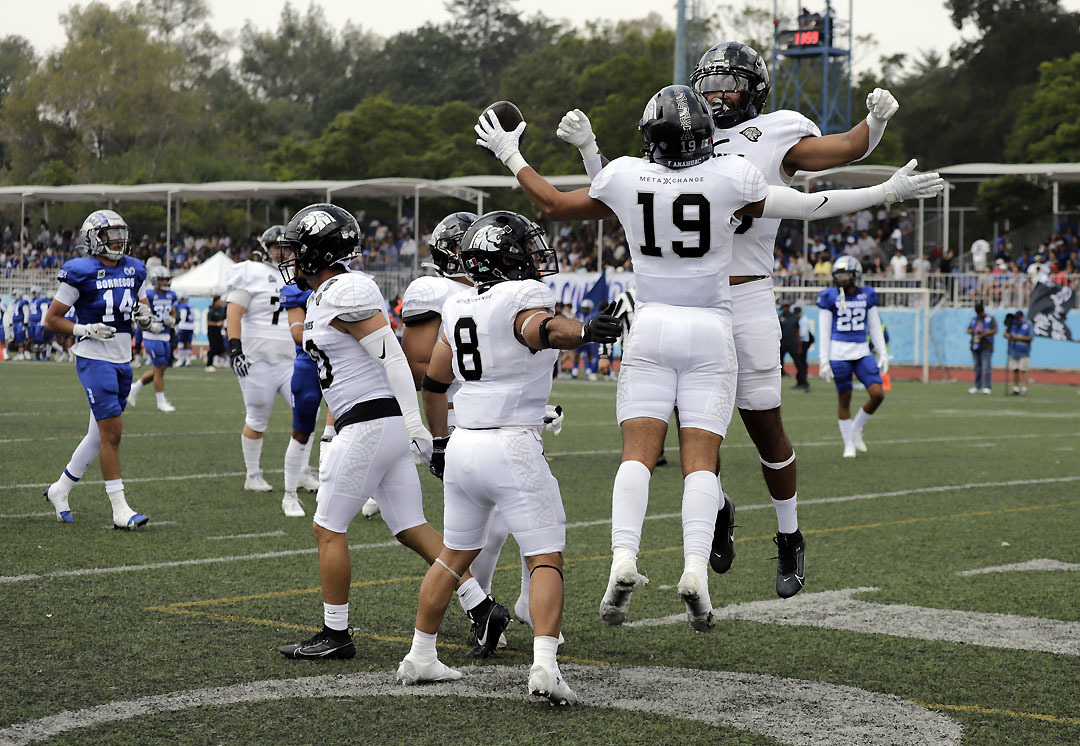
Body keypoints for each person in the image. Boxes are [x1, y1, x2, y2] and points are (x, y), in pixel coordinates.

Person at [477, 84, 940, 621]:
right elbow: (812, 206)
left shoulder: (627, 173)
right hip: (711, 327)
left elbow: (556, 204)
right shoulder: (730, 175)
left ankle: (624, 558)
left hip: (653, 324)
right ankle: (694, 568)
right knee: (700, 459)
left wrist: (513, 153)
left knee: (639, 455)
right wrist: (886, 192)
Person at [559, 40, 902, 599]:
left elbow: (847, 147)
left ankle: (789, 534)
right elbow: (613, 197)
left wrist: (875, 123)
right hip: (688, 303)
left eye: (731, 85)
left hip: (746, 297)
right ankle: (716, 506)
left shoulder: (775, 132)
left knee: (765, 425)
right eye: (711, 83)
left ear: (755, 91)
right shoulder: (676, 133)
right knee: (698, 428)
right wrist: (590, 151)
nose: (718, 95)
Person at [399, 210, 621, 703]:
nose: (534, 258)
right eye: (524, 249)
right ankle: (545, 666)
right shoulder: (520, 297)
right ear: (503, 259)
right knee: (544, 556)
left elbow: (434, 382)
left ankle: (420, 654)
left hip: (463, 444)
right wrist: (584, 330)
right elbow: (540, 329)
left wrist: (440, 443)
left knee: (453, 556)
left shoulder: (457, 304)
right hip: (512, 443)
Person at [274, 203, 506, 662]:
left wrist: (416, 422)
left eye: (300, 250)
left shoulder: (346, 289)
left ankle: (335, 632)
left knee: (327, 527)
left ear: (320, 252)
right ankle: (482, 607)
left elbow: (392, 358)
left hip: (371, 423)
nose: (292, 259)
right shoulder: (322, 296)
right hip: (374, 423)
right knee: (410, 527)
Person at [41, 209, 157, 528]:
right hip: (94, 358)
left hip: (122, 358)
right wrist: (84, 329)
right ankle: (120, 510)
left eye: (121, 234)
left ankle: (60, 489)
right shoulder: (80, 271)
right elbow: (51, 320)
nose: (118, 240)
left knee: (98, 435)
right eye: (110, 234)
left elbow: (144, 311)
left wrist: (147, 318)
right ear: (93, 239)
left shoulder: (135, 269)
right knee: (112, 432)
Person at [225, 225, 296, 494]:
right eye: (277, 247)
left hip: (290, 358)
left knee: (306, 411)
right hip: (257, 359)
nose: (282, 252)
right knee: (257, 416)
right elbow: (234, 312)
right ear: (265, 248)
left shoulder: (298, 275)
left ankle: (301, 471)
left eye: (286, 247)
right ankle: (252, 475)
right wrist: (235, 349)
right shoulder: (251, 272)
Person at [817, 257, 889, 459]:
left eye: (845, 275)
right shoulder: (830, 296)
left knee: (877, 394)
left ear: (855, 275)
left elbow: (874, 326)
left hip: (862, 351)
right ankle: (848, 443)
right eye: (838, 275)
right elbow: (824, 331)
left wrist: (882, 352)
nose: (841, 279)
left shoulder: (867, 294)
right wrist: (823, 359)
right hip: (838, 353)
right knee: (844, 399)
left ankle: (856, 427)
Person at [129, 266, 177, 412]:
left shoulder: (170, 295)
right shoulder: (148, 294)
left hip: (165, 336)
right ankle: (160, 402)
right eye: (162, 279)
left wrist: (173, 320)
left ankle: (135, 387)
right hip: (152, 336)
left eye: (166, 279)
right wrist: (149, 325)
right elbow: (137, 314)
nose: (165, 282)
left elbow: (173, 311)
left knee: (161, 368)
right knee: (159, 368)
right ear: (155, 280)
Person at [967, 302, 997, 394]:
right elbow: (968, 330)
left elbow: (995, 330)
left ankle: (987, 387)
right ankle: (977, 386)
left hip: (986, 346)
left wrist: (983, 334)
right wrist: (975, 331)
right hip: (975, 346)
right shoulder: (974, 319)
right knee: (977, 367)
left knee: (986, 367)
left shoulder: (990, 319)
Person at [1004, 310, 1033, 395]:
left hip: (1024, 351)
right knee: (1015, 370)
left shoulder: (1028, 324)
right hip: (1013, 351)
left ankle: (1024, 389)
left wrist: (1019, 338)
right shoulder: (1012, 324)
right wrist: (1010, 336)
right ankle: (1015, 389)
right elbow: (1005, 334)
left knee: (1024, 370)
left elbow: (1031, 337)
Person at [173, 294, 195, 367]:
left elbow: (183, 317)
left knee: (181, 343)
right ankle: (188, 361)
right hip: (190, 326)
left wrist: (178, 326)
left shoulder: (183, 306)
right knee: (188, 343)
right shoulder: (191, 305)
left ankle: (181, 360)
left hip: (183, 326)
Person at [205, 295, 226, 369]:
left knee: (222, 348)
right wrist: (217, 324)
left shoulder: (221, 310)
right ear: (215, 302)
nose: (220, 303)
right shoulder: (211, 311)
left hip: (219, 332)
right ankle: (209, 364)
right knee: (213, 348)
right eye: (219, 301)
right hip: (212, 332)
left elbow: (223, 320)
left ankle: (220, 363)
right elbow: (208, 322)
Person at [795, 306, 812, 391]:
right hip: (802, 342)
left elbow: (803, 334)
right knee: (801, 362)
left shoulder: (803, 320)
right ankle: (800, 381)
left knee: (802, 363)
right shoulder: (802, 319)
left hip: (803, 343)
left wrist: (797, 340)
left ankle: (803, 381)